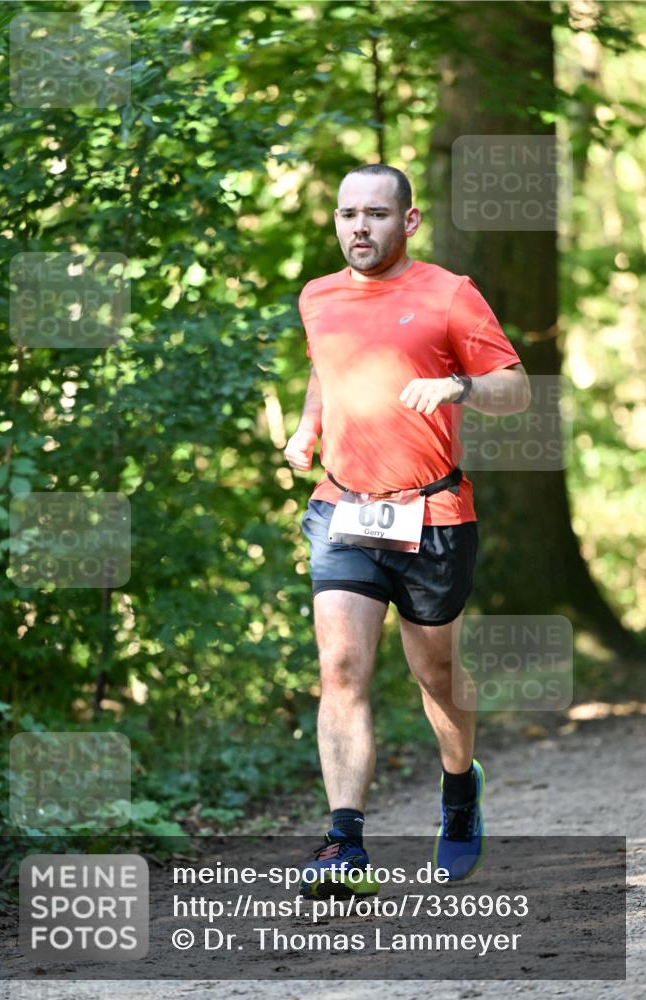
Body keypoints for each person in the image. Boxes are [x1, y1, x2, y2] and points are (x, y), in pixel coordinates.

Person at [285, 164, 530, 898]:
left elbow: (514, 388)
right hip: (343, 508)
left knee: (437, 675)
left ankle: (459, 793)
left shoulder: (449, 294)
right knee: (340, 668)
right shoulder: (318, 296)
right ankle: (344, 842)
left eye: (376, 214)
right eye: (347, 214)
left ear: (409, 220)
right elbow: (324, 370)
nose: (359, 227)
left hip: (432, 513)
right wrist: (307, 427)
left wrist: (458, 385)